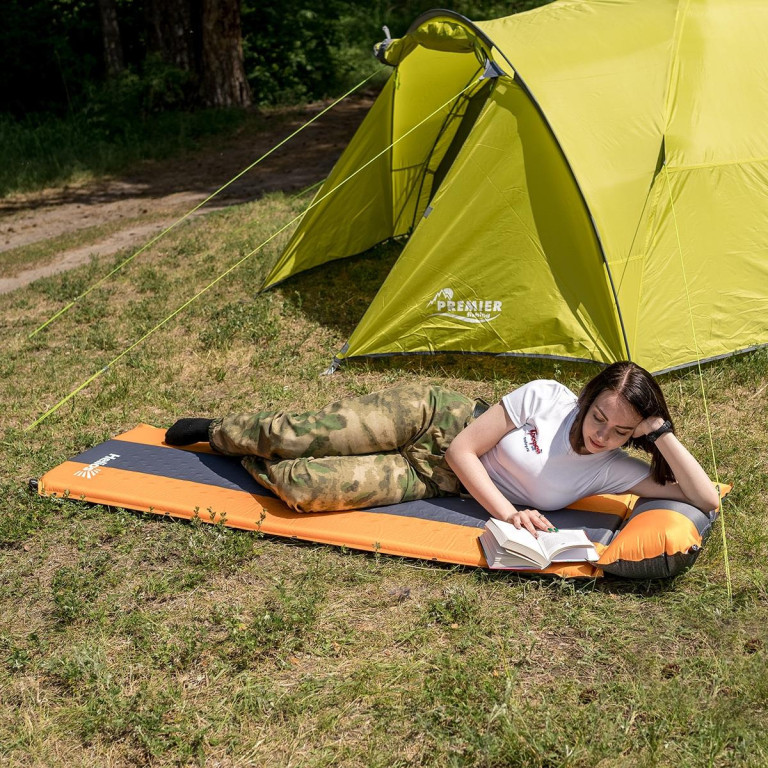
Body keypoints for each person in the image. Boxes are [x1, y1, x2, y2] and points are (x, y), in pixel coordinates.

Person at [165, 362, 720, 533]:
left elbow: (705, 498)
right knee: (296, 436)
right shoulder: (549, 398)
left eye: (621, 431)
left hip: (435, 479)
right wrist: (509, 515)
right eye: (599, 417)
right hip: (434, 419)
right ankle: (219, 431)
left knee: (304, 489)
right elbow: (462, 450)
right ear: (588, 397)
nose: (602, 435)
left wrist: (661, 434)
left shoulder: (611, 469)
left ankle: (251, 460)